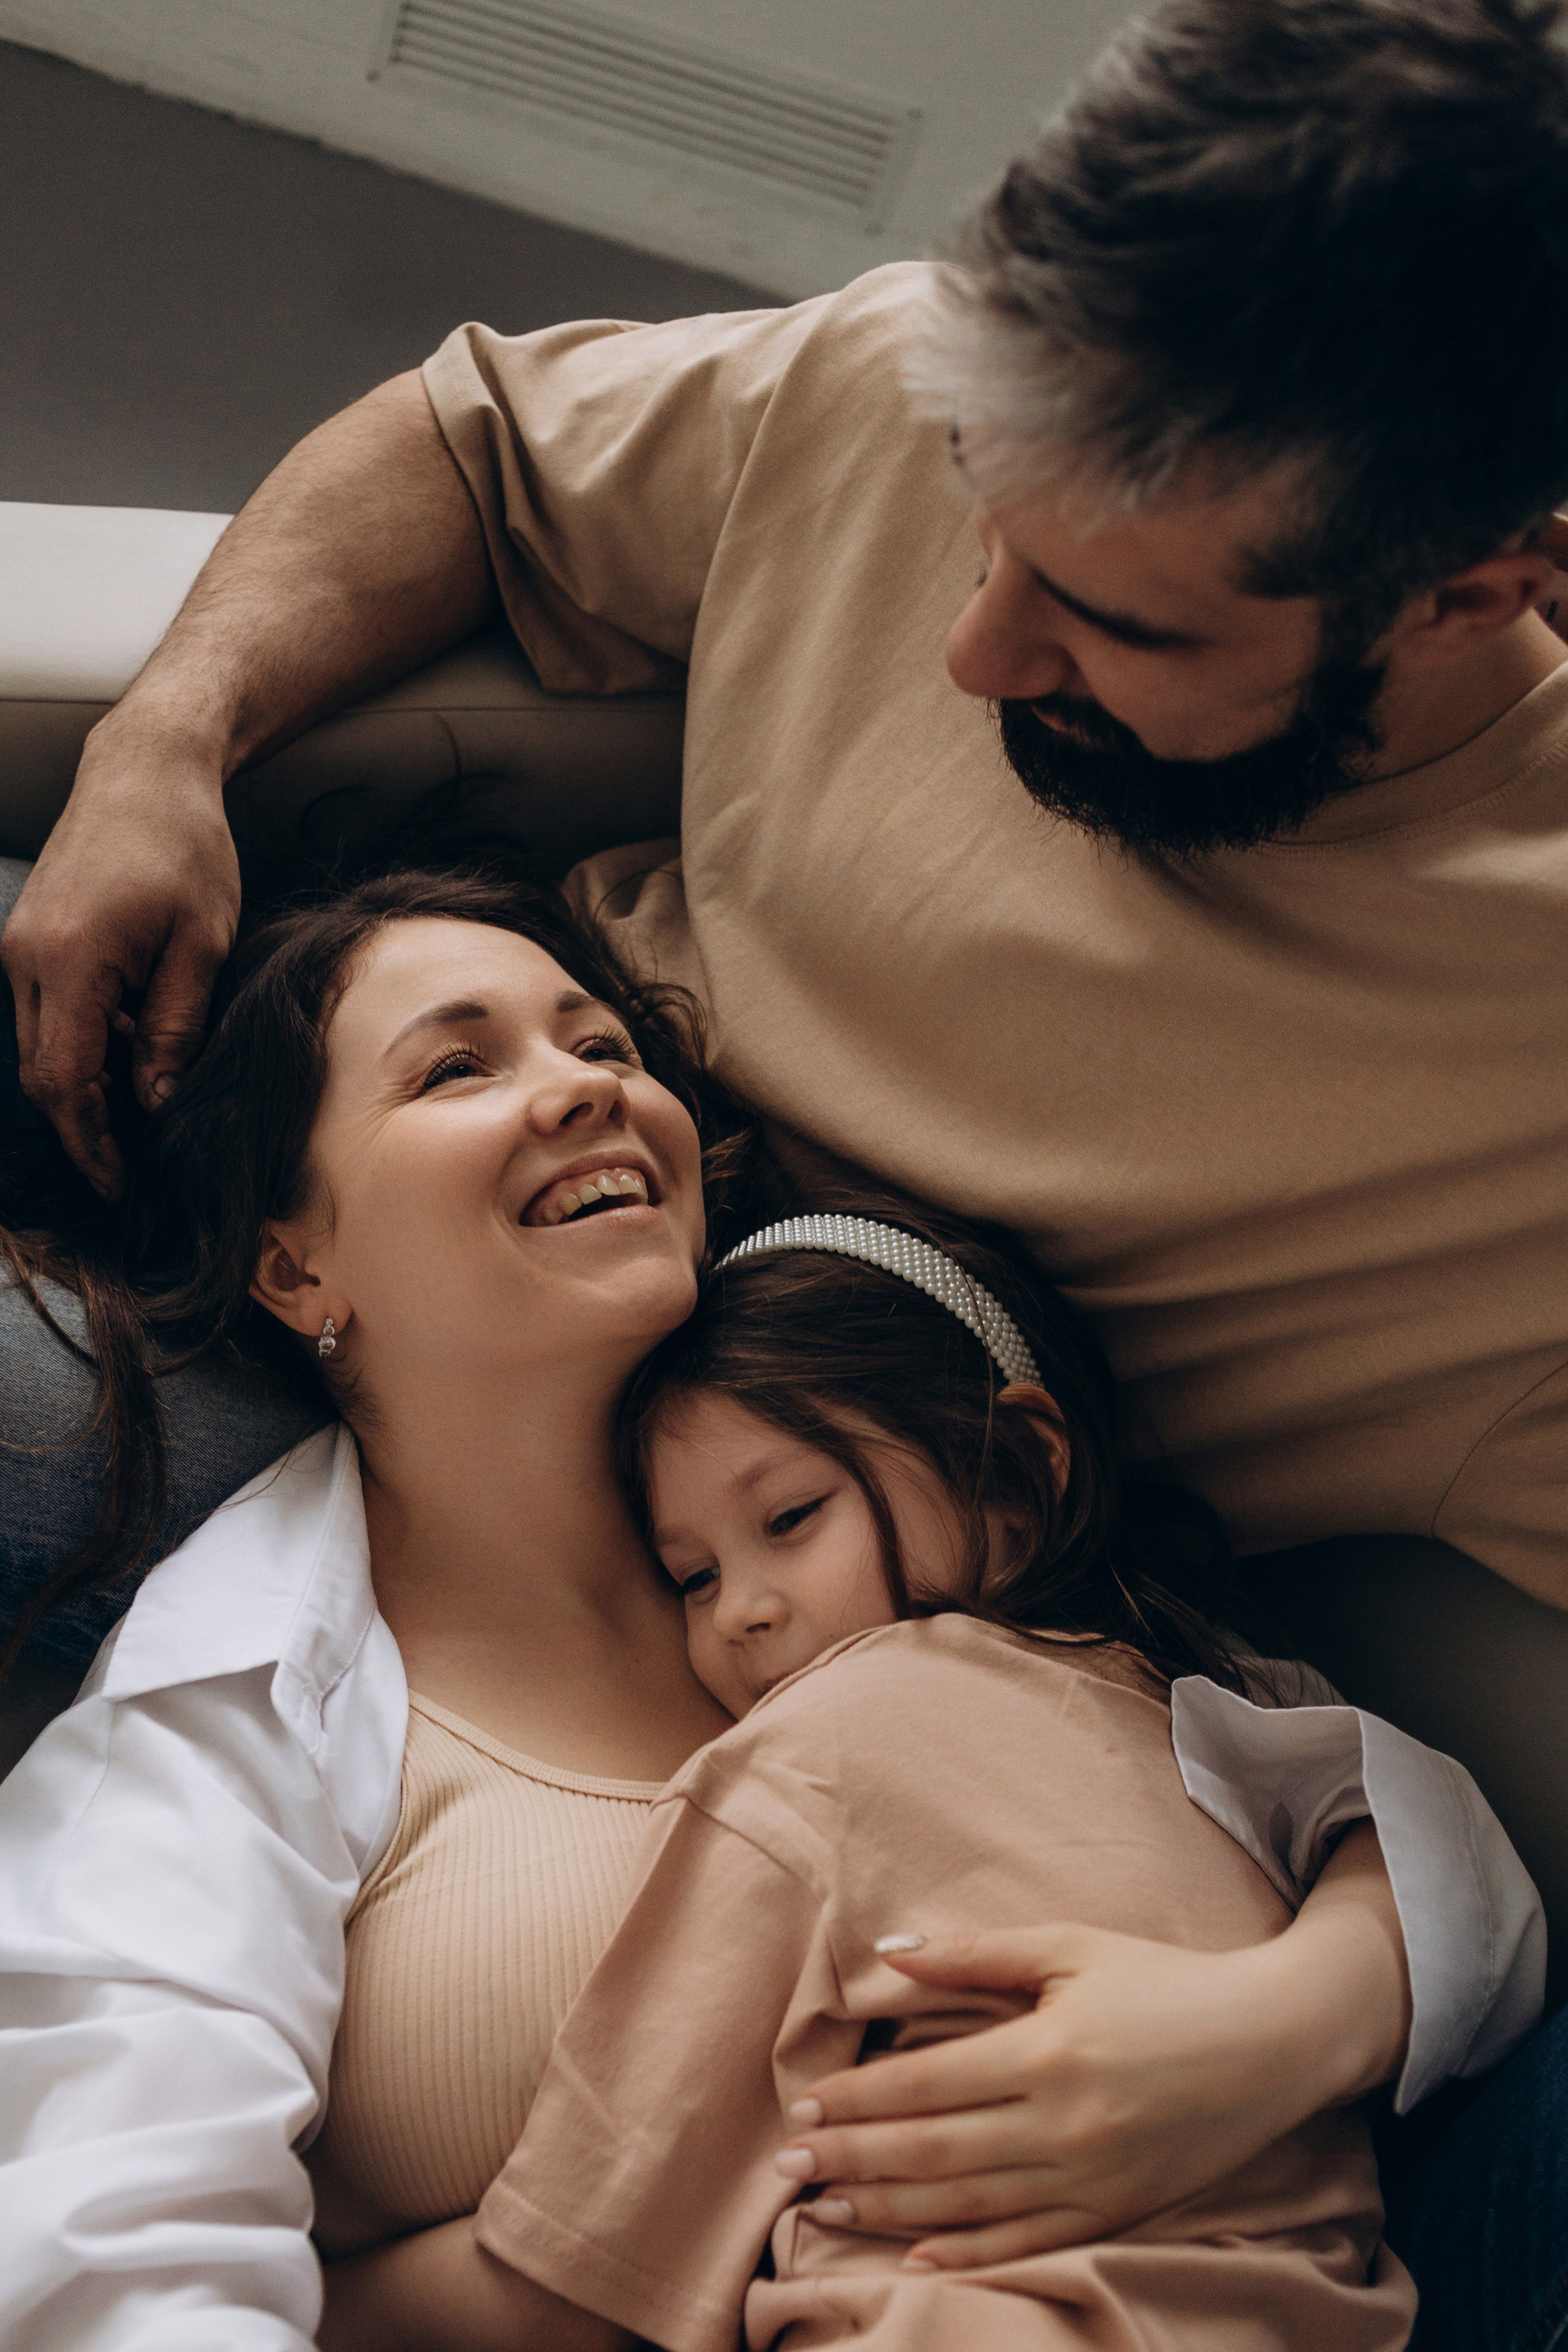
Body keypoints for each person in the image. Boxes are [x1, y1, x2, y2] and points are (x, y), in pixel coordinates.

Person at [6, 0, 1568, 2330]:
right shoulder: (904, 378)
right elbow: (474, 450)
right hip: (425, 1282)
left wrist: (1310, 2012)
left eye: (1111, 620)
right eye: (976, 512)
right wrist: (169, 739)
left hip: (951, 1477)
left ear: (1482, 588)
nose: (963, 647)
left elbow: (1389, 1800)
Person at [0, 877, 1539, 2351]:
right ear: (294, 1260)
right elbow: (113, 2252)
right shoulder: (229, 1710)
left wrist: (1274, 2028)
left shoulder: (931, 1534)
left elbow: (1365, 1795)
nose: (583, 1085)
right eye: (455, 1067)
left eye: (603, 1043)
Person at [309, 1206, 1455, 2350]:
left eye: (795, 1516)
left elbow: (566, 2291)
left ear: (1017, 1466)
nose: (745, 1610)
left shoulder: (816, 1751)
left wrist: (295, 2279)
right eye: (693, 1577)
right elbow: (1450, 1863)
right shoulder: (1226, 1709)